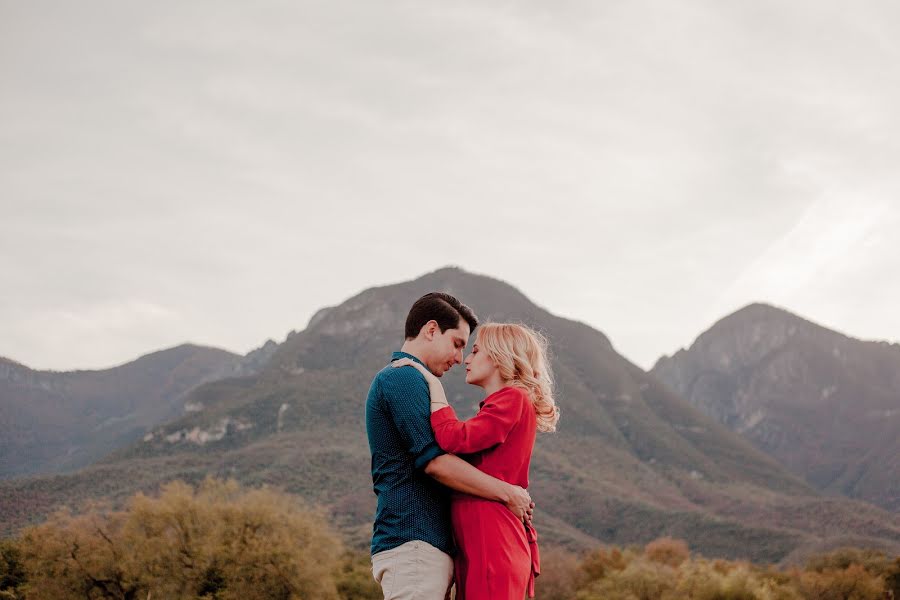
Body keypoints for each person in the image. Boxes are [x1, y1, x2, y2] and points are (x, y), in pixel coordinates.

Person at [366, 293, 534, 600]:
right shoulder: (404, 377)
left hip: (427, 547)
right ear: (431, 330)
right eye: (457, 344)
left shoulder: (414, 380)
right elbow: (435, 461)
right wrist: (508, 492)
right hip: (413, 542)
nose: (460, 358)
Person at [393, 322, 559, 600]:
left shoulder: (512, 398)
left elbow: (453, 438)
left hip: (491, 538)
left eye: (475, 351)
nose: (466, 359)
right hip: (483, 538)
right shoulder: (505, 405)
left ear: (497, 355)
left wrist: (435, 392)